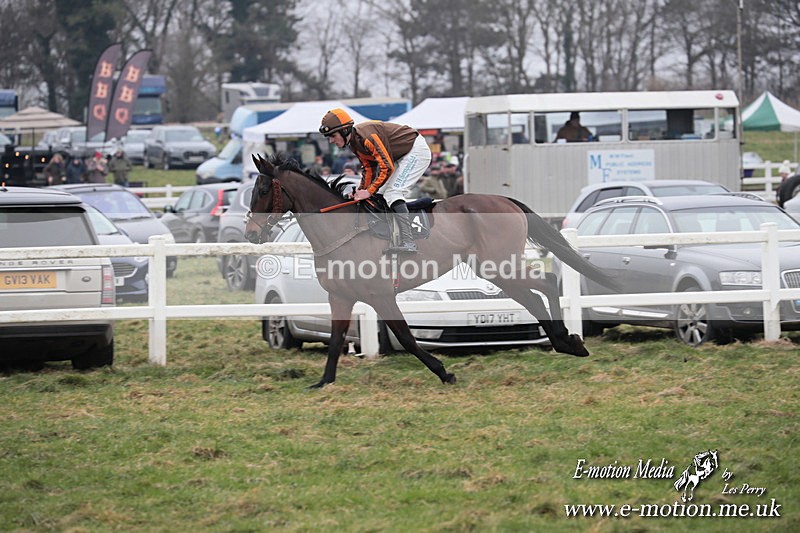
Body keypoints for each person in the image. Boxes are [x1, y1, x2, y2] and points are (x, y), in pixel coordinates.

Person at [320, 108, 431, 253]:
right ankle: (391, 234)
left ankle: (408, 240)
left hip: (415, 151)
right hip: (399, 156)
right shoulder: (354, 142)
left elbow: (387, 167)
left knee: (392, 193)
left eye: (333, 136)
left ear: (345, 130)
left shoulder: (368, 137)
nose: (331, 141)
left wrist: (368, 191)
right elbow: (369, 168)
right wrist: (360, 191)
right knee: (378, 194)